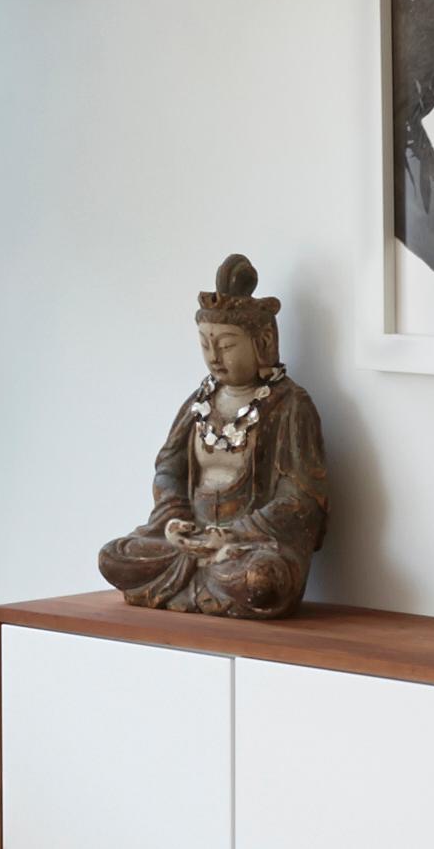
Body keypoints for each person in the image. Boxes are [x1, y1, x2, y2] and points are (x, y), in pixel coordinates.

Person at [99, 257, 329, 620]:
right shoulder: (200, 402)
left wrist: (234, 535)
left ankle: (211, 575)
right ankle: (198, 570)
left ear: (263, 343)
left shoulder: (290, 406)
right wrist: (175, 520)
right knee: (115, 557)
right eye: (206, 344)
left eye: (226, 345)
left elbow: (301, 499)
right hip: (190, 540)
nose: (215, 358)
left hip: (249, 547)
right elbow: (168, 469)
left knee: (261, 580)